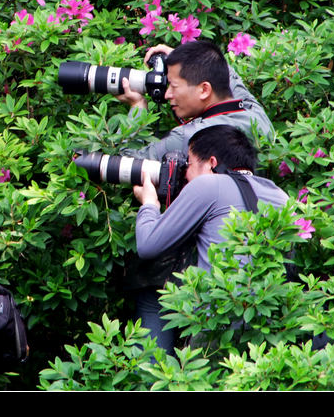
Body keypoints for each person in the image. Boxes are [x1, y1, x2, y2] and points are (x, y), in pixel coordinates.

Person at [130, 124, 288, 354]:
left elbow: (147, 245)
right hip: (269, 324)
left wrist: (149, 204)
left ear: (212, 163)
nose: (185, 174)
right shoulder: (280, 195)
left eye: (189, 164)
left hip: (218, 323)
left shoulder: (209, 183)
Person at [117, 40, 273, 161]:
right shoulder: (255, 115)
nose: (167, 95)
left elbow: (125, 161)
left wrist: (137, 106)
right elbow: (226, 75)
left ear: (204, 90)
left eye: (173, 86)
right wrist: (187, 59)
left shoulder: (188, 137)